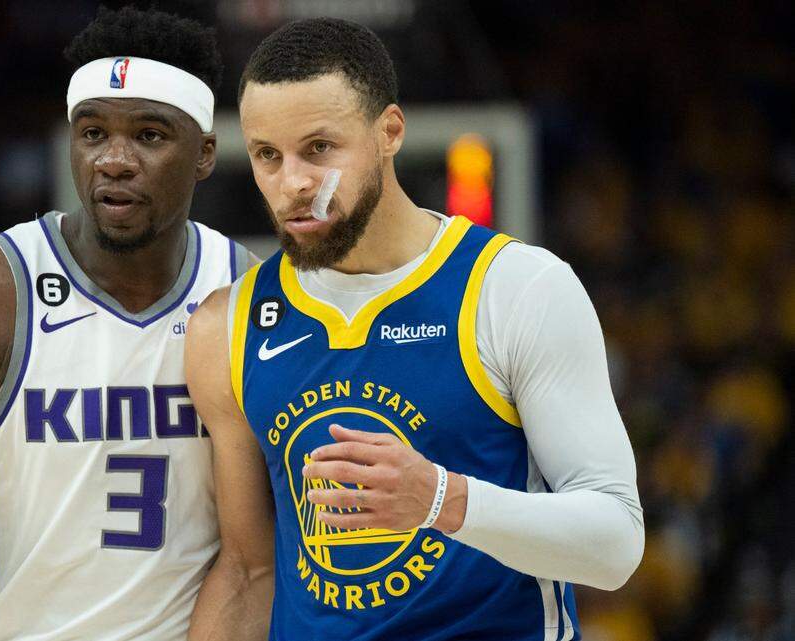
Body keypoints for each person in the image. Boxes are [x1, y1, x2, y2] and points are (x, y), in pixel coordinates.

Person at [186, 17, 644, 641]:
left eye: (319, 149)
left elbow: (615, 545)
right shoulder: (227, 325)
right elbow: (245, 571)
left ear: (389, 133)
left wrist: (442, 499)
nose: (292, 183)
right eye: (269, 155)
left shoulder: (515, 288)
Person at [0, 8, 255, 641]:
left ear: (205, 153)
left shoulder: (244, 294)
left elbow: (261, 558)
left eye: (150, 136)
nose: (114, 160)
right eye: (93, 133)